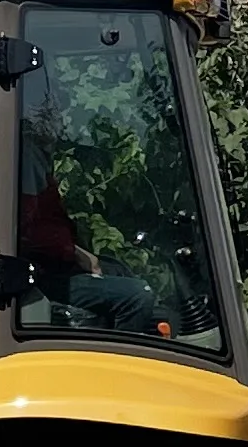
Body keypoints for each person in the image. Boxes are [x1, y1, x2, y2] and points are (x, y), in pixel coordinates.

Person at [19, 144, 163, 335]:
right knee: (137, 296)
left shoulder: (35, 156)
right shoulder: (26, 158)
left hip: (56, 264)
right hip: (42, 275)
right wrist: (75, 253)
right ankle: (118, 360)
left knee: (118, 270)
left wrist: (78, 252)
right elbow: (29, 230)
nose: (59, 123)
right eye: (53, 115)